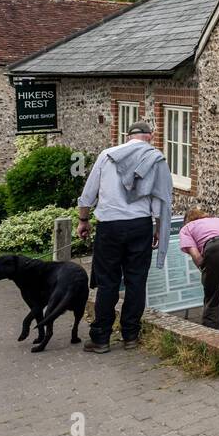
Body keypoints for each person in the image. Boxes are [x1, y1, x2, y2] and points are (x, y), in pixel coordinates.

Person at [78, 118, 173, 353]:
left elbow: (89, 191)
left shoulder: (107, 155)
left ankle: (101, 338)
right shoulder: (156, 159)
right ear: (149, 136)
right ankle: (131, 336)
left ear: (127, 136)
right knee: (136, 281)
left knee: (107, 282)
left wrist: (83, 220)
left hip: (109, 226)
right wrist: (158, 229)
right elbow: (161, 198)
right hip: (140, 225)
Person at [179, 208, 219, 331]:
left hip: (215, 250)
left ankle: (211, 334)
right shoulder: (218, 220)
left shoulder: (187, 228)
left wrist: (206, 272)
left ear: (187, 220)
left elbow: (197, 257)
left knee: (213, 296)